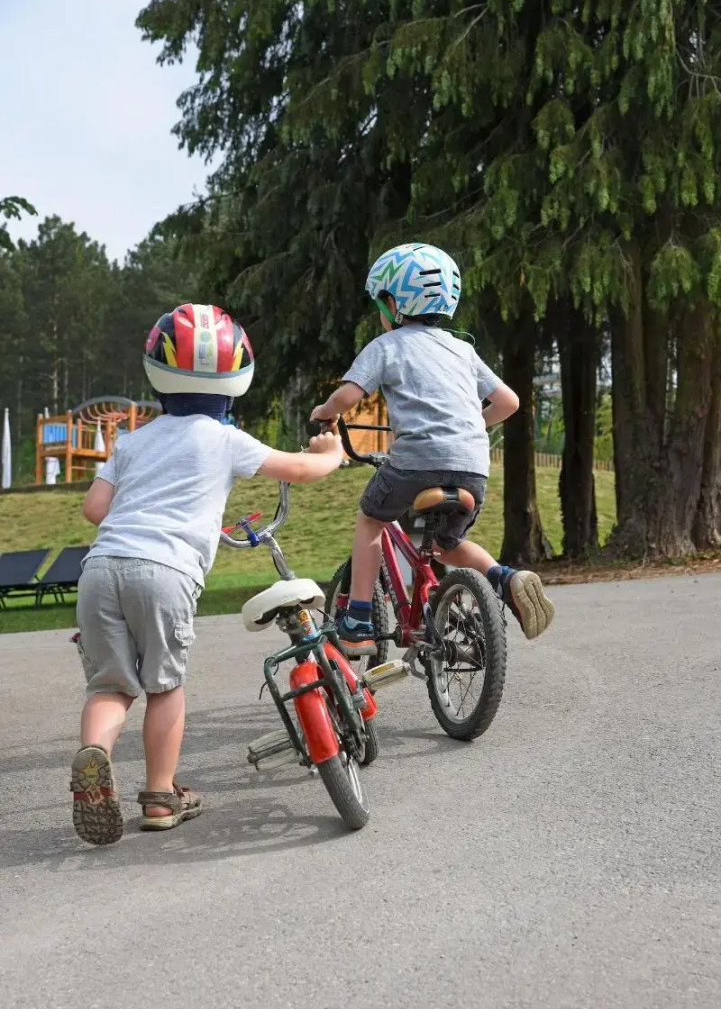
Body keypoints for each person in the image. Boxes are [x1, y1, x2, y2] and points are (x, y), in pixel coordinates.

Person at [71, 303, 343, 846]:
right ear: (235, 382)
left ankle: (95, 756)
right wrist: (330, 452)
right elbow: (301, 469)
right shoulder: (224, 439)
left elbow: (95, 511)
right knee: (164, 686)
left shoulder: (132, 440)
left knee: (110, 686)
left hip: (101, 569)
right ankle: (160, 794)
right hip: (166, 572)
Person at [311, 242, 555, 656]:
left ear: (393, 303)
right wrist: (467, 426)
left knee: (371, 519)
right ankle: (504, 577)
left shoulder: (386, 346)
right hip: (473, 468)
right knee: (447, 543)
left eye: (381, 302)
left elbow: (348, 396)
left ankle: (357, 619)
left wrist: (325, 412)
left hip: (414, 464)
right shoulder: (463, 349)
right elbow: (508, 403)